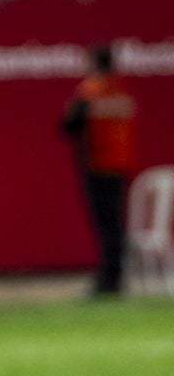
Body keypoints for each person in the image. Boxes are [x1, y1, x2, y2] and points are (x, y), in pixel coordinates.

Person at [61, 44, 136, 295]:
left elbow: (68, 125)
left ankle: (109, 279)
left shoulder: (90, 91)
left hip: (97, 164)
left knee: (106, 227)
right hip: (119, 165)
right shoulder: (120, 90)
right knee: (115, 225)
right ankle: (116, 276)